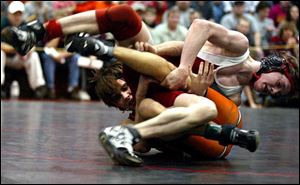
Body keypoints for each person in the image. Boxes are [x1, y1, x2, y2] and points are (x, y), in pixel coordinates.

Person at [2, 4, 298, 106]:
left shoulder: (233, 96)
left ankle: (104, 54)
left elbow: (191, 106)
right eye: (279, 84)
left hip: (151, 87)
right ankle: (41, 32)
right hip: (149, 62)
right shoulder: (239, 47)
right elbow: (200, 27)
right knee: (126, 15)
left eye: (277, 94)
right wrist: (167, 57)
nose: (271, 90)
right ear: (278, 65)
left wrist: (197, 89)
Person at [65, 33, 259, 167]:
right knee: (147, 107)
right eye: (118, 98)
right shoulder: (128, 121)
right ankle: (109, 49)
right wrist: (140, 96)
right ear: (115, 106)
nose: (125, 96)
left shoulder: (154, 76)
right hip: (214, 146)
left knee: (167, 72)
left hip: (225, 114)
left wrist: (156, 51)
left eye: (124, 88)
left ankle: (107, 49)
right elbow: (142, 147)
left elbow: (183, 48)